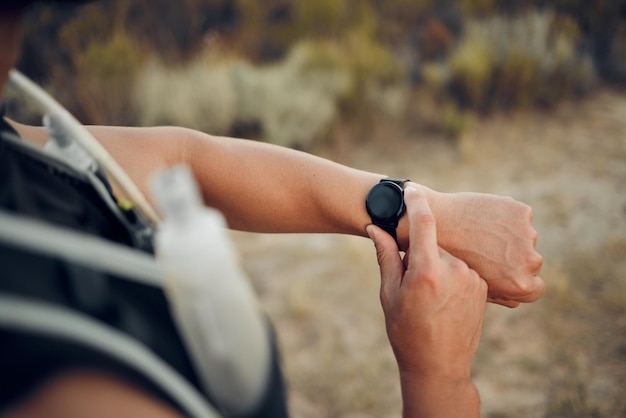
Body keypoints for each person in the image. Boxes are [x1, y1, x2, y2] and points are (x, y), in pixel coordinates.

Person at [0, 1, 543, 416]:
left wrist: (423, 212)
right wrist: (440, 379)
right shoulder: (59, 390)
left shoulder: (15, 148)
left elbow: (188, 159)